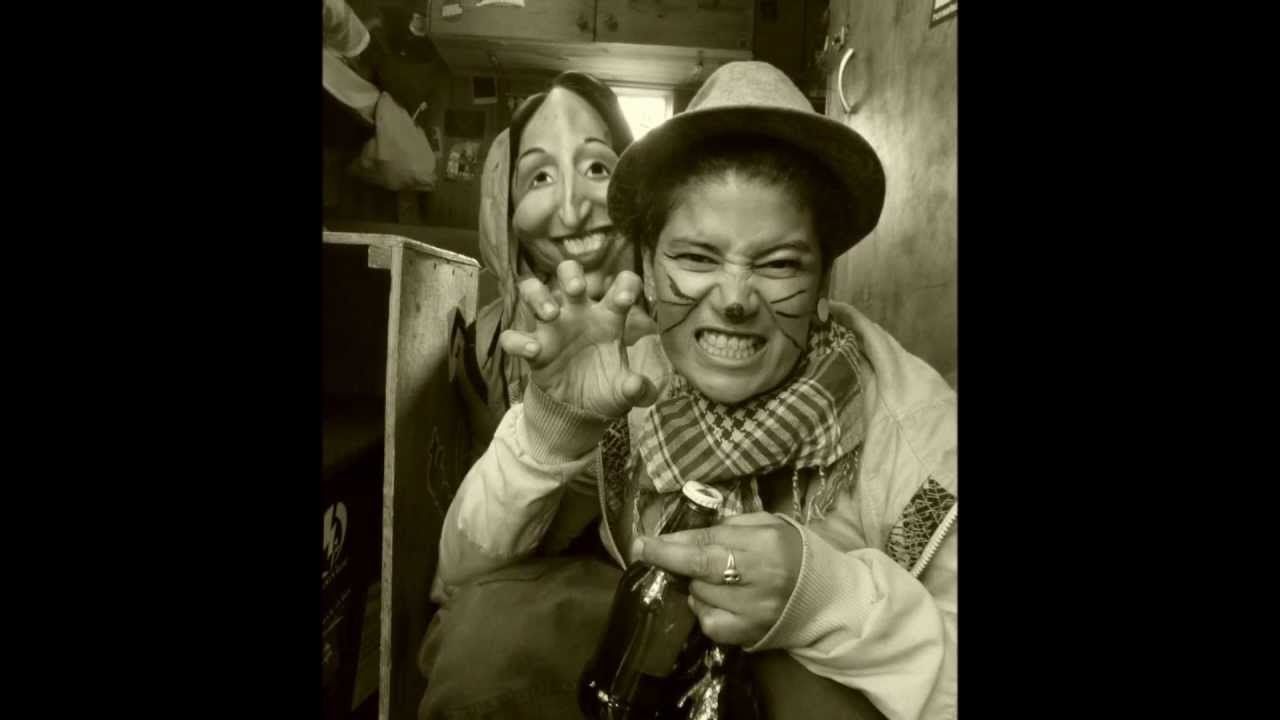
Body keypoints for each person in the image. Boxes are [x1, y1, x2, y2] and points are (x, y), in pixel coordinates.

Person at [421, 62, 956, 720]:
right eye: (697, 258)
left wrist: (824, 596)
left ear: (823, 286)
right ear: (648, 269)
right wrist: (551, 427)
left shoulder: (915, 431)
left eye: (779, 264)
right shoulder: (631, 389)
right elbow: (461, 580)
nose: (734, 299)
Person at [457, 72, 641, 460]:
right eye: (540, 177)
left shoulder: (688, 324)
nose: (572, 213)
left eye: (597, 169)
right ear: (507, 210)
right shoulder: (484, 348)